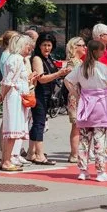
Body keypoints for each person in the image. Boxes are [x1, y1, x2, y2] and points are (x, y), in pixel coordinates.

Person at [71, 35, 107, 182]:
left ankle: (83, 170)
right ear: (97, 52)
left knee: (84, 139)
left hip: (85, 103)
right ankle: (100, 171)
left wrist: (77, 93)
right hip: (100, 104)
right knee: (100, 139)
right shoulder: (103, 68)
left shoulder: (81, 67)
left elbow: (68, 80)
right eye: (101, 51)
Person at [31, 33, 67, 166]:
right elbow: (41, 78)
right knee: (39, 123)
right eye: (44, 45)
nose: (47, 48)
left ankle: (31, 152)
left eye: (49, 45)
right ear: (39, 45)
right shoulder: (37, 59)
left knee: (39, 123)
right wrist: (59, 73)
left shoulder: (49, 58)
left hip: (47, 94)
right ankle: (39, 155)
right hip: (39, 93)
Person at [0, 31, 33, 170]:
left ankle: (7, 160)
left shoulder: (15, 58)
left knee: (13, 129)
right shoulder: (17, 59)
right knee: (12, 129)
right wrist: (2, 96)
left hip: (16, 95)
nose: (29, 48)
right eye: (27, 46)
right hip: (15, 97)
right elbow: (8, 81)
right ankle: (6, 161)